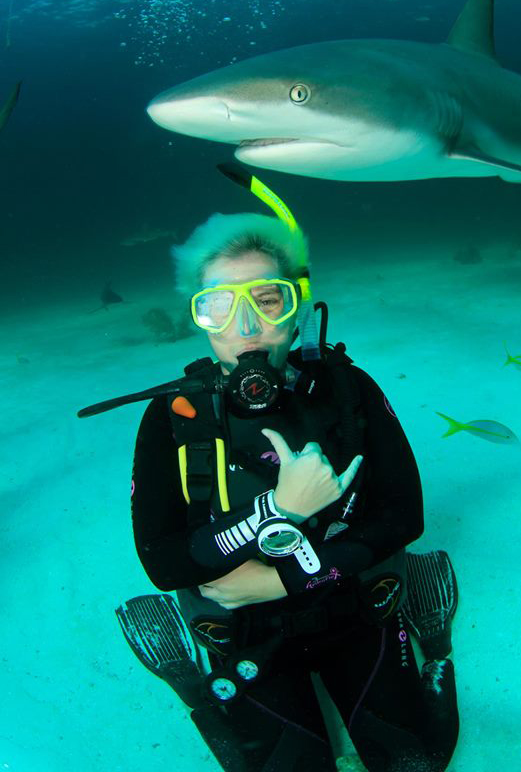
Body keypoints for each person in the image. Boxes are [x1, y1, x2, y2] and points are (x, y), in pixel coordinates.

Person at [103, 166, 459, 771]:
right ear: (199, 320)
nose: (245, 328)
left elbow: (405, 514)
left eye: (267, 301)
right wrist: (281, 509)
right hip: (243, 627)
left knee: (418, 761)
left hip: (352, 604)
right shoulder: (172, 417)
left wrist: (284, 580)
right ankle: (196, 686)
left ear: (296, 310)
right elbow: (164, 563)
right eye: (218, 307)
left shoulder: (346, 389)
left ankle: (435, 645)